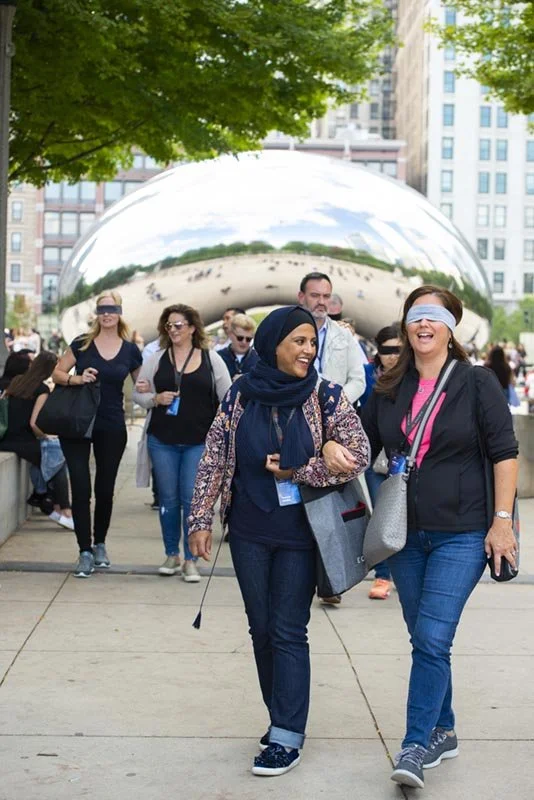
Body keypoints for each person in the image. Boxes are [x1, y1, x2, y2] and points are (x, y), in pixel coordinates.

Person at [326, 285, 518, 790]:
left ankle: (414, 744)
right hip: (403, 533)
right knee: (426, 638)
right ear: (407, 325)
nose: (424, 325)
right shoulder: (391, 386)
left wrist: (502, 521)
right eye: (415, 316)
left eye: (434, 317)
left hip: (464, 531)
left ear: (450, 327)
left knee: (432, 636)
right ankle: (445, 729)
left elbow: (505, 452)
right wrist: (329, 444)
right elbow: (360, 442)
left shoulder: (477, 383)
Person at [188, 306, 370, 777]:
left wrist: (300, 471)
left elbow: (360, 454)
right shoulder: (240, 395)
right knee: (261, 628)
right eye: (299, 342)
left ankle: (287, 734)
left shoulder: (325, 394)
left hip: (301, 533)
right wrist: (199, 519)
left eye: (313, 342)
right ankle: (280, 717)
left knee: (289, 629)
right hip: (248, 529)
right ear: (273, 344)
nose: (309, 350)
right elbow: (213, 457)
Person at [133, 304, 231, 580]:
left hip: (199, 442)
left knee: (193, 500)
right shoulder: (156, 359)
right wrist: (155, 398)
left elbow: (228, 398)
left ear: (191, 328)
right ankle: (171, 554)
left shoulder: (212, 360)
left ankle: (191, 559)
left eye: (178, 325)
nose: (173, 330)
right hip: (162, 439)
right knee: (168, 499)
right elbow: (138, 395)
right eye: (169, 326)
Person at [52, 292, 143, 578]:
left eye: (112, 309)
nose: (107, 314)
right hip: (78, 423)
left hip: (112, 424)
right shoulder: (81, 343)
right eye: (103, 309)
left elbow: (142, 385)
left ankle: (100, 543)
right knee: (80, 488)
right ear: (97, 313)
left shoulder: (130, 351)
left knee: (104, 490)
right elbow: (56, 372)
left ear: (119, 312)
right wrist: (76, 378)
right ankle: (84, 551)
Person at [298, 272, 366, 605]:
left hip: (334, 428)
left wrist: (332, 404)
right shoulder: (289, 332)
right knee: (298, 505)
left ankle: (331, 580)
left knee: (330, 507)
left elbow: (359, 381)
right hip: (297, 426)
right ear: (302, 297)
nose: (321, 301)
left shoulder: (344, 338)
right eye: (315, 295)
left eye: (326, 296)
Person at [0, 351, 73, 528]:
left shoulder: (16, 382)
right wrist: (45, 435)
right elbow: (34, 423)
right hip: (24, 440)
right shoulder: (42, 389)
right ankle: (63, 509)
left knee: (44, 459)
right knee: (57, 458)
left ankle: (44, 497)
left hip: (6, 439)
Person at [360, 323, 401, 600]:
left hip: (405, 462)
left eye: (397, 350)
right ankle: (383, 575)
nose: (392, 356)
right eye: (386, 350)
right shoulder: (367, 377)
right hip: (376, 461)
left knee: (406, 519)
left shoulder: (413, 378)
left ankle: (402, 573)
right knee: (381, 519)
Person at [218, 313, 259, 380]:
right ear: (230, 334)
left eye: (248, 339)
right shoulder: (218, 357)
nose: (244, 342)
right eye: (240, 338)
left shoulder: (259, 360)